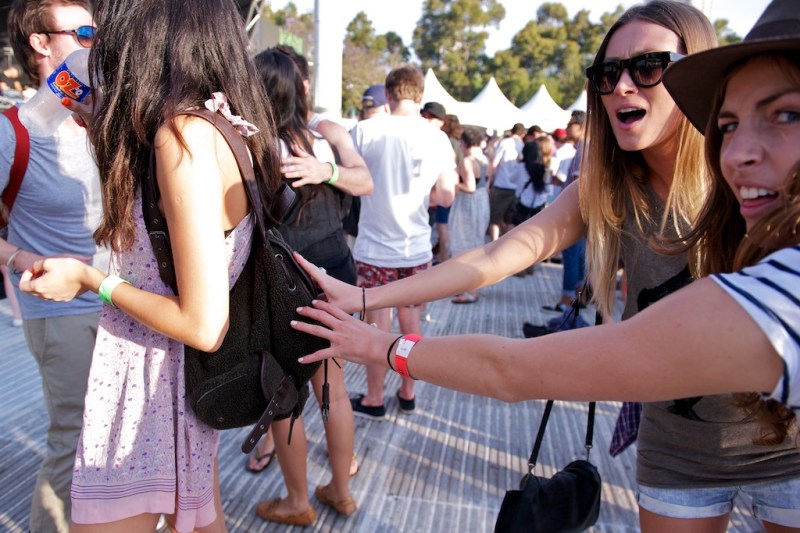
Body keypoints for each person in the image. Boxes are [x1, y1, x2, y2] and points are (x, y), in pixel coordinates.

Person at [289, 1, 800, 530]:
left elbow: (512, 372)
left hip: (786, 442)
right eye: (607, 73)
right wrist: (366, 298)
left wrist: (381, 345)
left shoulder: (756, 182)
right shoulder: (606, 188)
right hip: (678, 445)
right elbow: (495, 257)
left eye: (649, 67)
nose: (623, 86)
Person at [19, 0, 284, 530]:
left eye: (109, 25)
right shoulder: (218, 121)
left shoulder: (181, 137)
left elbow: (203, 324)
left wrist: (92, 280)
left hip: (153, 383)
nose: (101, 42)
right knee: (200, 516)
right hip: (175, 381)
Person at [250, 48, 368, 526]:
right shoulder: (322, 138)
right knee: (333, 390)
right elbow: (363, 181)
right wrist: (331, 164)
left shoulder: (251, 144)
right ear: (299, 89)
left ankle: (297, 501)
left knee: (285, 397)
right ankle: (341, 491)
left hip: (286, 281)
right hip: (335, 270)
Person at [1, 2, 106, 531]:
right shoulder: (12, 132)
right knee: (76, 436)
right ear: (40, 43)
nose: (95, 42)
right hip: (62, 311)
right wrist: (22, 258)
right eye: (83, 32)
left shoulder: (100, 120)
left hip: (124, 296)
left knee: (126, 435)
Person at [347, 64, 457, 420]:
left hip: (374, 249)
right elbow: (446, 195)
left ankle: (374, 398)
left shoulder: (363, 130)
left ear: (389, 93)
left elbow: (346, 181)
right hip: (416, 248)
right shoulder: (437, 137)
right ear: (419, 95)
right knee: (411, 324)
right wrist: (420, 198)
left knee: (377, 327)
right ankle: (408, 393)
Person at [449, 127, 490, 304]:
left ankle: (468, 290)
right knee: (475, 244)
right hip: (483, 201)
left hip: (468, 204)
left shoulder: (467, 161)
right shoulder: (484, 159)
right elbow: (486, 183)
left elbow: (470, 187)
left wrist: (455, 185)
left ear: (464, 143)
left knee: (464, 245)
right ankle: (472, 287)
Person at [488, 122, 525, 241]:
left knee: (494, 219)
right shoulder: (523, 145)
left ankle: (494, 243)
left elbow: (494, 163)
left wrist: (490, 181)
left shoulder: (504, 142)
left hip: (500, 185)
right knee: (510, 220)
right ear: (522, 134)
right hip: (517, 188)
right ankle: (506, 243)